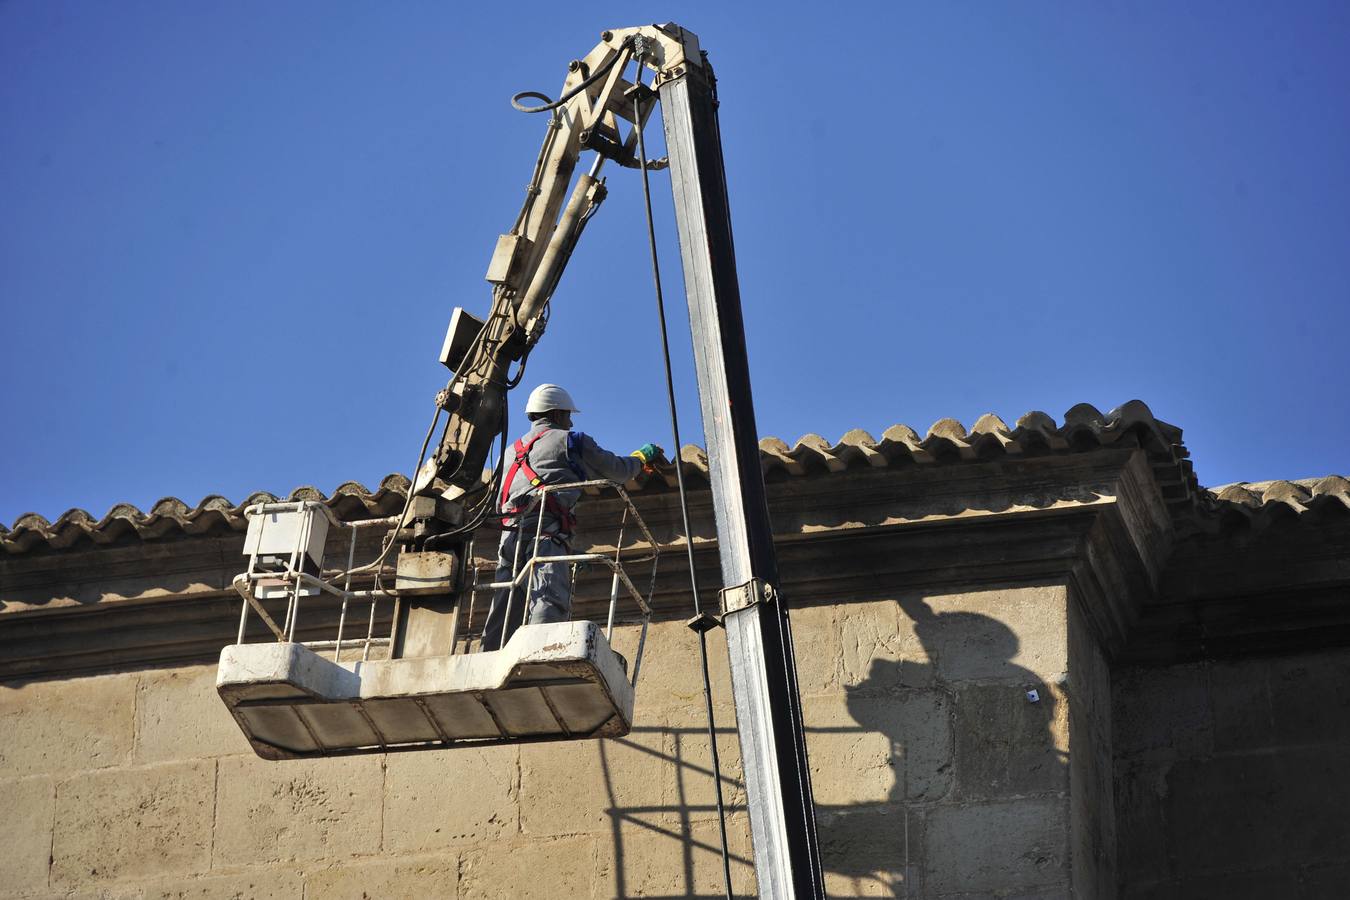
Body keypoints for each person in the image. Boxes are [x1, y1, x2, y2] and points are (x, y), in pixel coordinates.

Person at [481, 383, 663, 652]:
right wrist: (639, 458)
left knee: (506, 604)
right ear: (555, 414)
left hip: (509, 540)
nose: (570, 421)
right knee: (548, 598)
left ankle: (490, 657)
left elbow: (501, 501)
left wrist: (569, 551)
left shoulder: (508, 453)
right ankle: (540, 656)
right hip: (546, 535)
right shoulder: (571, 440)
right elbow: (617, 471)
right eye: (567, 415)